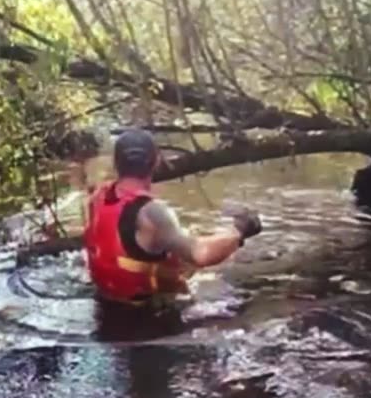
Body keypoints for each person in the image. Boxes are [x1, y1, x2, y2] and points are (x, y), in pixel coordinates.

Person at [83, 128, 262, 306]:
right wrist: (240, 231)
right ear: (156, 161)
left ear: (116, 163)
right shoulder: (152, 213)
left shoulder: (98, 197)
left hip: (103, 308)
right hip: (149, 320)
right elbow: (201, 255)